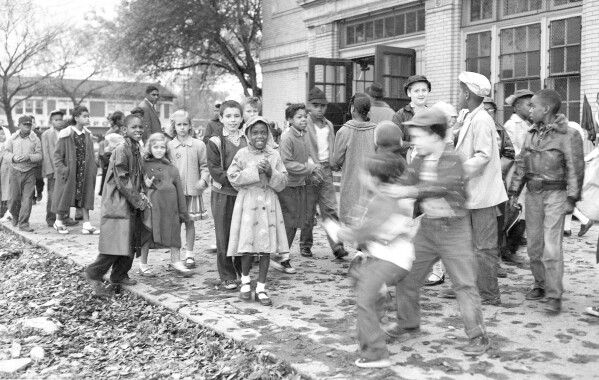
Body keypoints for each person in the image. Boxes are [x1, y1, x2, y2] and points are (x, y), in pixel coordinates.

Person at [385, 107, 491, 356]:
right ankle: (407, 323)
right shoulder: (420, 158)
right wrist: (385, 188)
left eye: (418, 136)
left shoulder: (454, 158)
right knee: (407, 276)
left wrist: (410, 191)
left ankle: (477, 335)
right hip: (429, 227)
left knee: (464, 284)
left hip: (455, 229)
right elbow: (407, 181)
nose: (413, 141)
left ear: (435, 136)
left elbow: (441, 185)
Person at [324, 148, 416, 369]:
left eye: (365, 173)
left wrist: (337, 231)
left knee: (364, 300)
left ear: (374, 178)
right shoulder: (388, 196)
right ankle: (380, 298)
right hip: (389, 258)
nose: (362, 176)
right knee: (360, 278)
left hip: (389, 260)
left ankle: (375, 353)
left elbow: (365, 232)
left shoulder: (383, 200)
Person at [508, 89, 584, 314]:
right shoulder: (531, 133)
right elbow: (521, 164)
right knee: (534, 246)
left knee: (552, 248)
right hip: (533, 195)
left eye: (533, 106)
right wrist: (514, 192)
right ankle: (540, 283)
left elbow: (575, 168)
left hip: (556, 195)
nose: (529, 110)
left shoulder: (568, 135)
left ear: (546, 109)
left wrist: (572, 198)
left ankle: (554, 294)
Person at [451, 72, 507, 306]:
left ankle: (489, 294)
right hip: (472, 192)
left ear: (467, 94)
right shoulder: (473, 117)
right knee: (469, 245)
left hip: (482, 195)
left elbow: (483, 156)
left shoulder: (482, 119)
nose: (459, 94)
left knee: (484, 248)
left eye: (461, 89)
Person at [83, 114, 151, 297]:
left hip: (129, 200)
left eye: (140, 127)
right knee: (116, 243)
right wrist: (138, 200)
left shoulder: (136, 147)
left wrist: (141, 193)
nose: (138, 130)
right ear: (124, 130)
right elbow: (122, 179)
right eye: (133, 127)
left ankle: (119, 275)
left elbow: (136, 176)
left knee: (130, 240)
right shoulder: (122, 149)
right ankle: (94, 273)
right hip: (119, 201)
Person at [227, 116, 288, 306]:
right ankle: (245, 282)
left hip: (268, 205)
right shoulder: (242, 154)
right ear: (248, 135)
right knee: (247, 243)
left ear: (268, 134)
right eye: (255, 133)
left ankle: (261, 287)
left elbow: (284, 181)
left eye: (263, 132)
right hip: (248, 204)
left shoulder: (274, 155)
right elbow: (233, 177)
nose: (259, 136)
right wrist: (255, 171)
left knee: (265, 247)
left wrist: (271, 172)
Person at [301, 87, 348, 259]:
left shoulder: (328, 124)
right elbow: (301, 148)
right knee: (308, 210)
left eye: (323, 105)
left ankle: (337, 246)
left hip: (326, 169)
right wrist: (309, 165)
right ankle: (305, 244)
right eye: (315, 105)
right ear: (308, 106)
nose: (319, 109)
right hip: (310, 171)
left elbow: (332, 146)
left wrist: (335, 162)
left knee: (330, 209)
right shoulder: (304, 123)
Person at [139, 133, 192, 277]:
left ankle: (176, 260)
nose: (159, 150)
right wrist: (145, 185)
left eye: (162, 147)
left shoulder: (172, 168)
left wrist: (183, 211)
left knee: (174, 232)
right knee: (148, 233)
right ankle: (143, 264)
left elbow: (179, 190)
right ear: (150, 148)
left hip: (170, 207)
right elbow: (138, 186)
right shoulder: (143, 165)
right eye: (155, 147)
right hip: (152, 207)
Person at [207, 100, 247, 290]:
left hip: (245, 194)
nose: (233, 120)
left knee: (241, 233)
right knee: (223, 234)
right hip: (223, 194)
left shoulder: (247, 139)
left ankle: (242, 271)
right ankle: (227, 275)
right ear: (221, 118)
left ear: (242, 118)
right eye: (228, 116)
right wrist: (239, 180)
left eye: (236, 116)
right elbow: (215, 171)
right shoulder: (215, 141)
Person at [277, 103, 320, 274]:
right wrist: (310, 168)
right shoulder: (287, 138)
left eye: (304, 116)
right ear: (289, 120)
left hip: (300, 184)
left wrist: (311, 174)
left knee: (295, 223)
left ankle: (281, 256)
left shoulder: (304, 135)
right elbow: (286, 163)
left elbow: (305, 158)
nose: (303, 119)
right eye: (299, 117)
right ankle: (282, 258)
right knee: (290, 223)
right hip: (288, 186)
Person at [167, 110, 210, 269]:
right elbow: (166, 168)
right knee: (175, 225)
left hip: (192, 191)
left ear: (190, 126)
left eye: (185, 124)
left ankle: (190, 255)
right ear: (174, 126)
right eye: (179, 124)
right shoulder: (169, 146)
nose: (182, 128)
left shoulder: (198, 145)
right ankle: (175, 257)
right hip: (175, 193)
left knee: (190, 223)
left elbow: (205, 167)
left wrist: (203, 180)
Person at [52, 106, 99, 235]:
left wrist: (93, 167)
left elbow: (91, 153)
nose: (88, 118)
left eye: (88, 116)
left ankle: (87, 224)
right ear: (76, 118)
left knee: (85, 196)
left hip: (84, 171)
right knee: (64, 197)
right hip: (70, 173)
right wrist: (63, 170)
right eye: (85, 116)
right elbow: (57, 156)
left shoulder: (87, 134)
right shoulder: (66, 133)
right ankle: (58, 221)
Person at [483, 96, 516, 276]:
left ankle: (494, 263)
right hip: (477, 185)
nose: (488, 113)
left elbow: (510, 153)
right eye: (484, 109)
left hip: (496, 185)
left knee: (497, 224)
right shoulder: (471, 126)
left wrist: (497, 174)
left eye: (491, 110)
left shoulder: (500, 129)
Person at [333, 93, 377, 225]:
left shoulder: (344, 131)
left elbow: (337, 161)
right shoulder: (375, 130)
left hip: (351, 184)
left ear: (352, 108)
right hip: (370, 184)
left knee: (352, 223)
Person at [3, 115, 42, 232]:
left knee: (28, 198)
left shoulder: (35, 139)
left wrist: (28, 157)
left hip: (30, 172)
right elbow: (6, 153)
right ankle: (15, 215)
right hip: (15, 171)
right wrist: (14, 158)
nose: (27, 127)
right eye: (25, 124)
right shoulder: (12, 139)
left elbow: (39, 155)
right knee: (14, 198)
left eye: (29, 124)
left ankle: (24, 223)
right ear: (18, 125)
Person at [563, 121, 594, 237]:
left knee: (564, 199)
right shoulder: (576, 140)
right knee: (568, 198)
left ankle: (585, 220)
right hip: (574, 172)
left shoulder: (569, 142)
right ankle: (566, 228)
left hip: (568, 172)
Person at [392, 75, 431, 158]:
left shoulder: (434, 115)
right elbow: (395, 143)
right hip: (407, 165)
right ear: (409, 93)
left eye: (424, 90)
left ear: (428, 91)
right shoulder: (400, 116)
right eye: (416, 91)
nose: (421, 94)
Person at [41, 110, 68, 227]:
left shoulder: (67, 133)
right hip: (53, 169)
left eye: (61, 119)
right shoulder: (46, 134)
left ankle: (64, 217)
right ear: (51, 121)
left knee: (66, 193)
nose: (59, 122)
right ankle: (51, 217)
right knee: (52, 194)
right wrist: (49, 169)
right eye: (56, 120)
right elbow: (46, 153)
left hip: (65, 169)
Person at [99, 111, 125, 196]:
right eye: (123, 118)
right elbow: (107, 148)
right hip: (112, 158)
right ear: (117, 120)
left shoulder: (120, 129)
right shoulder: (113, 131)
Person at [0, 127, 9, 217]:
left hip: (6, 175)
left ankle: (4, 213)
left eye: (3, 134)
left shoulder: (9, 146)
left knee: (5, 194)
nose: (1, 136)